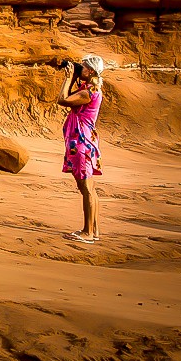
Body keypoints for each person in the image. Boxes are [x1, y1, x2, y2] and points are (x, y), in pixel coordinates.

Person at [58, 55, 106, 243]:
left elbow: (63, 100)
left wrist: (68, 78)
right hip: (82, 141)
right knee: (89, 188)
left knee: (86, 187)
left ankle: (88, 233)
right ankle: (94, 230)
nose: (81, 69)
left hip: (81, 142)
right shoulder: (88, 88)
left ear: (92, 71)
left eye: (83, 67)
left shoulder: (89, 92)